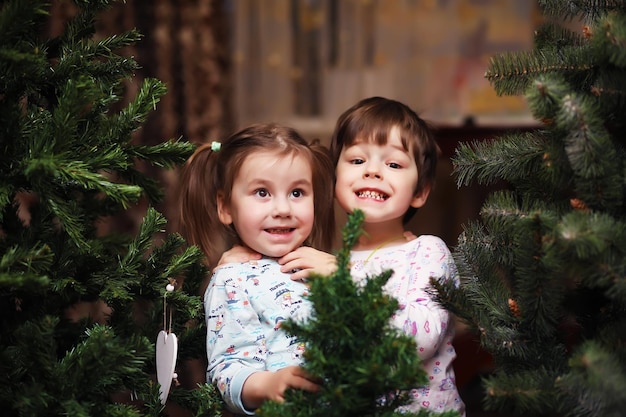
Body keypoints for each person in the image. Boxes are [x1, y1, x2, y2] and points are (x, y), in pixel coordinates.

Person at [222, 97, 466, 416]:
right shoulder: (325, 262)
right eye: (357, 160)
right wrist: (248, 261)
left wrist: (345, 278)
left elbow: (422, 339)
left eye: (393, 164)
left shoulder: (428, 252)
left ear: (420, 191)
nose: (373, 172)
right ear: (335, 179)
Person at [178, 123, 336, 416]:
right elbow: (227, 369)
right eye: (262, 192)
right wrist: (268, 385)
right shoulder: (232, 278)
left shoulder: (325, 265)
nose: (283, 208)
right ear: (225, 207)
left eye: (298, 192)